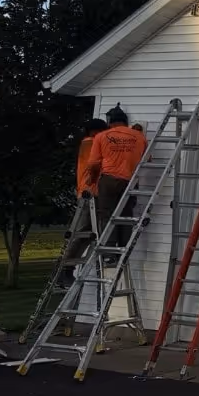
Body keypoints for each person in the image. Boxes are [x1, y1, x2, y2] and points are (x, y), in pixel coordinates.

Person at [85, 104, 147, 251]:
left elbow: (93, 163)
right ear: (126, 122)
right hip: (131, 181)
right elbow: (146, 158)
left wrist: (92, 180)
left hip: (109, 180)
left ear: (110, 122)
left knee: (107, 215)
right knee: (126, 215)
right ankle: (123, 250)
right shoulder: (139, 137)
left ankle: (109, 253)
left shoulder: (101, 136)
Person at [61, 118, 109, 283]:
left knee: (88, 234)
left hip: (92, 192)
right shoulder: (90, 143)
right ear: (95, 132)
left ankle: (68, 268)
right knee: (81, 231)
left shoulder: (90, 142)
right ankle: (65, 269)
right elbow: (97, 164)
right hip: (88, 193)